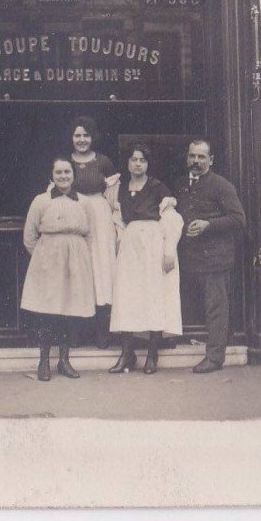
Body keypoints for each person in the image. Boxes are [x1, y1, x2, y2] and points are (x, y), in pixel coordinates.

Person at [106, 143, 184, 375]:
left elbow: (172, 220)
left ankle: (152, 353)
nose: (137, 163)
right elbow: (118, 218)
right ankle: (127, 354)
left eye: (142, 160)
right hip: (131, 247)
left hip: (153, 245)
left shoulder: (158, 187)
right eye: (133, 159)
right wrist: (121, 240)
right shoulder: (119, 189)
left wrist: (169, 251)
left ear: (148, 164)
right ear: (128, 163)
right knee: (127, 296)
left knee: (154, 294)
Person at [174, 139, 247, 374]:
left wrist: (208, 224)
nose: (196, 161)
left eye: (201, 157)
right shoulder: (181, 184)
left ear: (211, 160)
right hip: (190, 257)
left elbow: (239, 219)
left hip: (216, 258)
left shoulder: (221, 185)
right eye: (193, 156)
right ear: (187, 158)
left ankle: (215, 358)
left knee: (216, 307)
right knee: (202, 306)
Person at [21, 158, 97, 381]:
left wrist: (80, 257)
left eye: (67, 172)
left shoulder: (84, 202)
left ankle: (64, 360)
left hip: (75, 262)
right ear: (51, 176)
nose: (63, 176)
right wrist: (44, 258)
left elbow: (89, 235)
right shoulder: (41, 201)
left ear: (73, 175)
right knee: (47, 311)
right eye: (59, 172)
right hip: (48, 262)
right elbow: (29, 236)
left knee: (69, 310)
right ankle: (44, 361)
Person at [67, 116, 120, 349]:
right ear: (71, 137)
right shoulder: (65, 162)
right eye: (77, 135)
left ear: (92, 137)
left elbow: (113, 197)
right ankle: (77, 332)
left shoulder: (104, 162)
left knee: (101, 269)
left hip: (99, 218)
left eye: (86, 135)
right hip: (75, 215)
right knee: (78, 270)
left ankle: (102, 331)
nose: (81, 140)